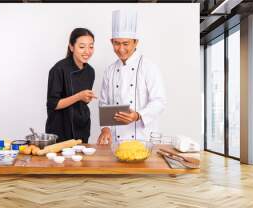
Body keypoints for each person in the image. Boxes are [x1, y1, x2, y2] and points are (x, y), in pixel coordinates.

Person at [97, 9, 166, 144]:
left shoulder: (149, 67)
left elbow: (159, 101)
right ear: (111, 42)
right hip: (115, 143)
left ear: (135, 42)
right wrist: (105, 129)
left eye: (125, 44)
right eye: (117, 43)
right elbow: (103, 104)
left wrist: (138, 115)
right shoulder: (109, 71)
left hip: (142, 140)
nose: (121, 48)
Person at [45, 28, 96, 143]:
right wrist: (79, 96)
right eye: (82, 47)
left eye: (91, 46)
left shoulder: (90, 71)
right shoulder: (58, 69)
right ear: (71, 47)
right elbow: (53, 104)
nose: (87, 51)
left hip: (81, 129)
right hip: (60, 130)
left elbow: (84, 101)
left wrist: (86, 98)